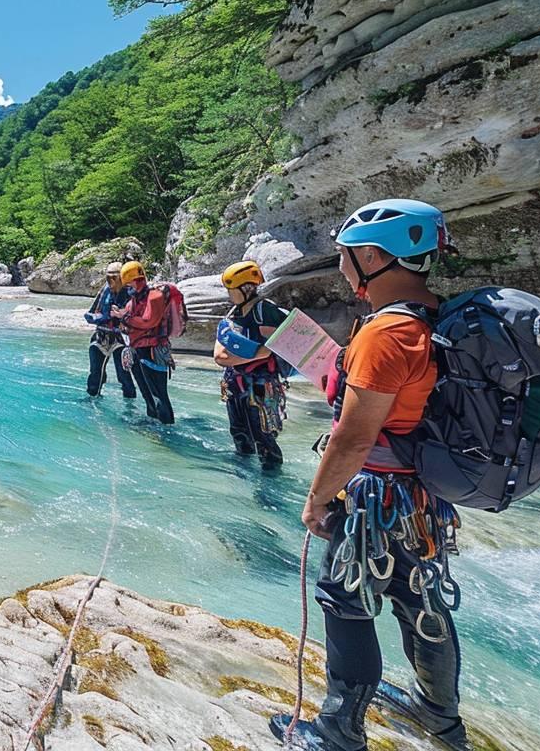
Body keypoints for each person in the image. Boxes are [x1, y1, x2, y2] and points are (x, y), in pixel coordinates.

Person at [271, 199, 470, 751]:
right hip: (421, 496)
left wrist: (316, 502)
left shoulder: (386, 335)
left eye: (345, 255)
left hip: (376, 497)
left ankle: (338, 734)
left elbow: (353, 438)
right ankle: (440, 717)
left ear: (374, 256)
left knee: (345, 601)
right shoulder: (437, 316)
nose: (339, 265)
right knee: (421, 599)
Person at [213, 260, 288, 468]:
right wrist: (253, 356)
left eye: (232, 289)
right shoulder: (233, 314)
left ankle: (270, 490)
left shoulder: (265, 311)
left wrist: (238, 358)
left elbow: (270, 350)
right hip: (235, 384)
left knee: (264, 439)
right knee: (239, 434)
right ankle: (244, 480)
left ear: (246, 289)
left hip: (259, 387)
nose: (229, 294)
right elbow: (219, 356)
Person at [117, 261, 175, 425]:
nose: (128, 287)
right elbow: (128, 325)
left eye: (129, 283)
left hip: (153, 350)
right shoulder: (132, 301)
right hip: (138, 350)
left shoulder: (154, 296)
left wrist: (124, 317)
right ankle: (153, 425)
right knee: (147, 394)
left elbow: (149, 321)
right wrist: (123, 321)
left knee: (159, 395)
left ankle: (167, 431)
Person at [84, 262, 137, 398]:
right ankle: (92, 401)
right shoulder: (105, 290)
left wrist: (121, 315)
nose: (110, 282)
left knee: (124, 376)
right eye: (108, 278)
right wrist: (104, 316)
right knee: (96, 374)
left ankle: (129, 408)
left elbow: (136, 317)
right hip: (101, 336)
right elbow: (90, 314)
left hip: (121, 339)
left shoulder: (130, 292)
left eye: (114, 278)